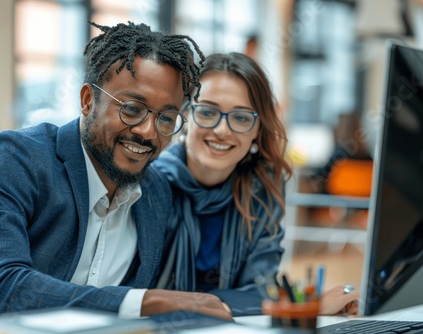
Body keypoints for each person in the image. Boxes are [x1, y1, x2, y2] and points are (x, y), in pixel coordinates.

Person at [0, 22, 232, 334]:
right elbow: (2, 290)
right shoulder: (10, 159)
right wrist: (144, 302)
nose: (147, 131)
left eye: (166, 118)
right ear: (87, 101)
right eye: (132, 108)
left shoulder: (154, 193)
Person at [153, 52, 360, 316]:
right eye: (207, 111)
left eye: (241, 117)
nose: (222, 130)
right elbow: (140, 294)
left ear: (257, 131)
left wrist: (303, 306)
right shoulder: (151, 185)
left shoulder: (262, 189)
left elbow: (263, 289)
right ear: (185, 115)